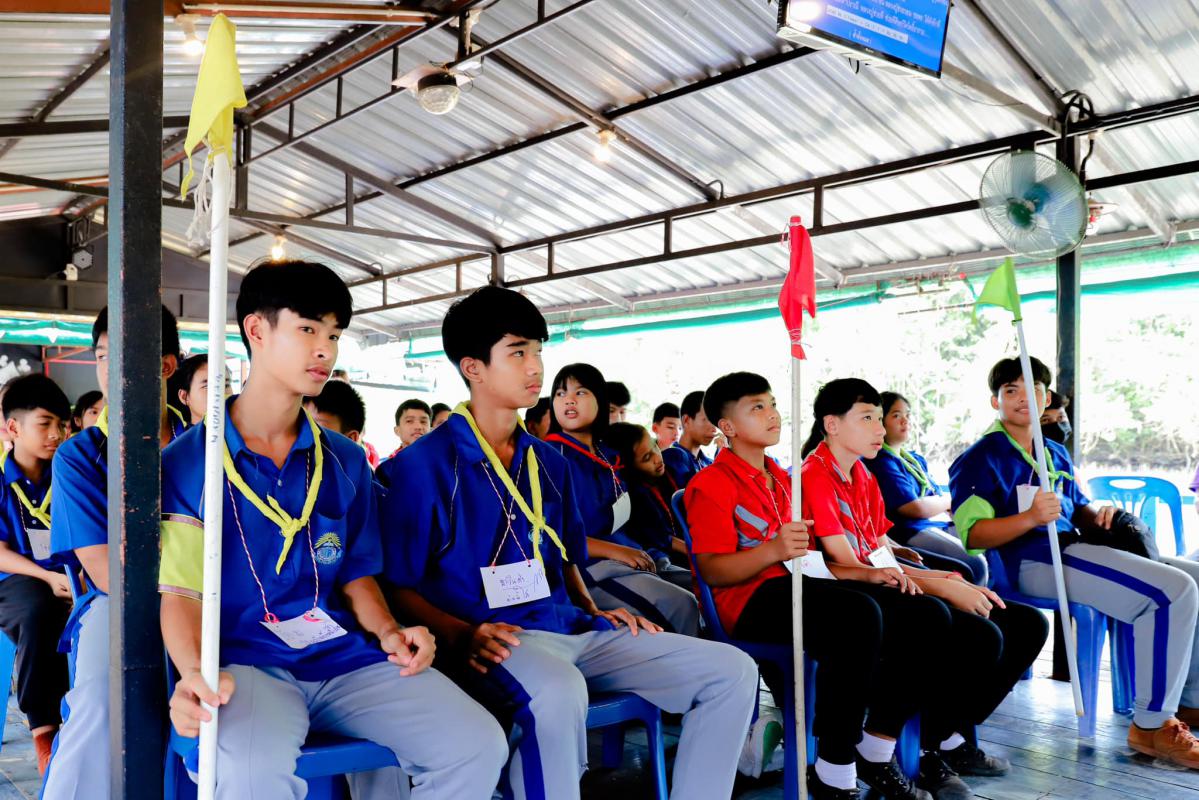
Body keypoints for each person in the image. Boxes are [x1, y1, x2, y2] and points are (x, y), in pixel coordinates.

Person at [377, 286, 757, 800]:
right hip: (493, 640)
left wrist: (594, 609)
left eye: (537, 350)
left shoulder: (549, 462)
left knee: (731, 670)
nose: (535, 367)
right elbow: (397, 585)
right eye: (517, 353)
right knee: (556, 691)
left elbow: (566, 555)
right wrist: (462, 634)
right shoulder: (422, 466)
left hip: (567, 626)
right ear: (473, 367)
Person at [159, 260, 506, 799]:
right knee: (250, 773)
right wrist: (191, 673)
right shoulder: (188, 463)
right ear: (256, 330)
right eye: (307, 329)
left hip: (344, 658)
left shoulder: (344, 460)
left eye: (335, 335)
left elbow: (357, 574)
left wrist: (389, 633)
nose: (325, 350)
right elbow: (181, 591)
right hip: (246, 664)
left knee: (476, 743)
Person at [804, 377, 1048, 800]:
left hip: (880, 579)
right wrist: (942, 588)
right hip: (849, 591)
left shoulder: (861, 474)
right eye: (869, 419)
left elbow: (879, 549)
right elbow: (851, 564)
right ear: (832, 424)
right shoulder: (814, 475)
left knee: (1026, 624)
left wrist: (943, 579)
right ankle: (884, 746)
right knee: (969, 631)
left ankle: (937, 739)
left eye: (880, 419)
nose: (881, 429)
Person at [951, 356, 1199, 769]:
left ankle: (1188, 702)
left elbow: (1077, 509)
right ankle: (1152, 725)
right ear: (995, 401)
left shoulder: (1053, 452)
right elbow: (972, 535)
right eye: (1010, 390)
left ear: (1046, 397)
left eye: (1031, 389)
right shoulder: (981, 457)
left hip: (1074, 548)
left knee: (1195, 578)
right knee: (1173, 591)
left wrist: (1099, 515)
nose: (1022, 398)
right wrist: (1030, 518)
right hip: (1030, 563)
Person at [43, 305, 184, 800]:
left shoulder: (204, 446)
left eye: (127, 355)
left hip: (205, 602)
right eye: (103, 356)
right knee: (102, 702)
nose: (111, 368)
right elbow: (104, 570)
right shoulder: (79, 455)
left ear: (166, 366)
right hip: (118, 603)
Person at [547, 364, 699, 635]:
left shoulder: (607, 454)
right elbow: (555, 535)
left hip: (630, 558)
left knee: (704, 587)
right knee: (681, 604)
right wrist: (617, 551)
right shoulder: (551, 456)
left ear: (600, 400)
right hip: (590, 569)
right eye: (560, 393)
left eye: (580, 392)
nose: (568, 400)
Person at [0, 374, 72, 774]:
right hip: (15, 581)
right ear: (13, 428)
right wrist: (47, 578)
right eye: (45, 424)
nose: (56, 434)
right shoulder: (1, 480)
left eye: (61, 424)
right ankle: (44, 730)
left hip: (67, 578)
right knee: (39, 609)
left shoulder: (69, 472)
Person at [865, 392, 987, 585]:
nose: (905, 421)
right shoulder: (881, 462)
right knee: (975, 562)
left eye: (907, 415)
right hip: (908, 530)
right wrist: (949, 501)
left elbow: (932, 496)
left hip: (934, 523)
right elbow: (915, 508)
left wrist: (949, 505)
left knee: (984, 539)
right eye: (896, 415)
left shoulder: (914, 460)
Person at [605, 421, 691, 572]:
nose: (657, 458)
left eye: (655, 447)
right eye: (646, 458)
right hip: (666, 559)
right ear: (629, 467)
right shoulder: (634, 497)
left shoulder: (673, 468)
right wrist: (699, 553)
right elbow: (664, 539)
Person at [304, 377, 379, 469]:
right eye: (299, 426)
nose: (303, 435)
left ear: (350, 439)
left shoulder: (359, 475)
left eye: (316, 429)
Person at [662, 390, 718, 488]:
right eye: (707, 420)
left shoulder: (709, 462)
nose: (714, 429)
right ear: (686, 420)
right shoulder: (674, 457)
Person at [172, 353, 232, 426]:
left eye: (226, 385)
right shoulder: (179, 432)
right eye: (208, 387)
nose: (221, 393)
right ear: (184, 397)